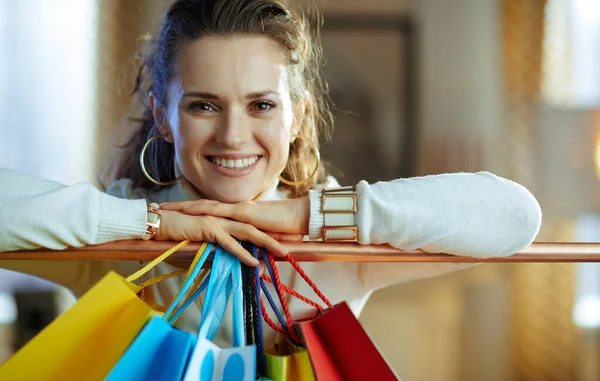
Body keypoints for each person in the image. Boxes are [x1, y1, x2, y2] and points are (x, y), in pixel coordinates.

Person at [0, 0, 541, 346]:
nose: (233, 137)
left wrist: (301, 215)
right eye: (203, 106)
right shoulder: (115, 236)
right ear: (163, 117)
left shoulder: (338, 241)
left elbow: (516, 216)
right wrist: (154, 222)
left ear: (298, 117)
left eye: (261, 105)